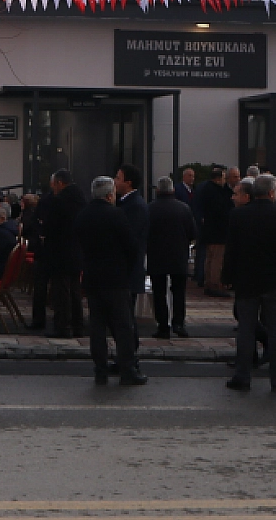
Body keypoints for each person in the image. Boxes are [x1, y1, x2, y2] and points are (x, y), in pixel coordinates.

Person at [223, 173, 276, 392]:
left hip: (246, 280)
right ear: (272, 192)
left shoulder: (238, 215)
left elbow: (232, 250)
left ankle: (243, 375)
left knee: (246, 330)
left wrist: (228, 277)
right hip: (275, 280)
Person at [76, 176, 146, 386]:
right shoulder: (116, 215)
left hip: (92, 278)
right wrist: (126, 269)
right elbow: (131, 246)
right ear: (109, 195)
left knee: (97, 327)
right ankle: (127, 369)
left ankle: (100, 369)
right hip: (115, 278)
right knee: (123, 326)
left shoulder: (83, 216)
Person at [146, 176, 195, 339]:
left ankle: (162, 326)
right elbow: (192, 233)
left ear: (157, 191)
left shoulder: (150, 209)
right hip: (178, 255)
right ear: (173, 190)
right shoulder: (184, 208)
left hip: (156, 256)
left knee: (159, 292)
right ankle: (179, 324)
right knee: (179, 291)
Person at [40, 171, 86, 338]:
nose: (53, 189)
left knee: (61, 292)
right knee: (75, 291)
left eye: (53, 185)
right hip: (76, 251)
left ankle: (62, 327)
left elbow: (50, 226)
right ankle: (78, 325)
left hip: (59, 252)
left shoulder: (58, 201)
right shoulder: (80, 198)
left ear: (59, 183)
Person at [113, 164, 149, 350]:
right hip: (125, 270)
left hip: (128, 271)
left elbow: (130, 240)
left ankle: (128, 357)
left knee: (125, 318)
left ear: (128, 182)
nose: (115, 181)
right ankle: (125, 356)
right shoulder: (126, 203)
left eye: (118, 178)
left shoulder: (134, 206)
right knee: (123, 317)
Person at [198, 165, 233, 297]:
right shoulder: (216, 192)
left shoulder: (206, 189)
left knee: (210, 258)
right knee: (217, 259)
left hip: (209, 230)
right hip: (218, 232)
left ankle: (208, 283)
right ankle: (215, 284)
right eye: (224, 177)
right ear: (218, 178)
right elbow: (221, 210)